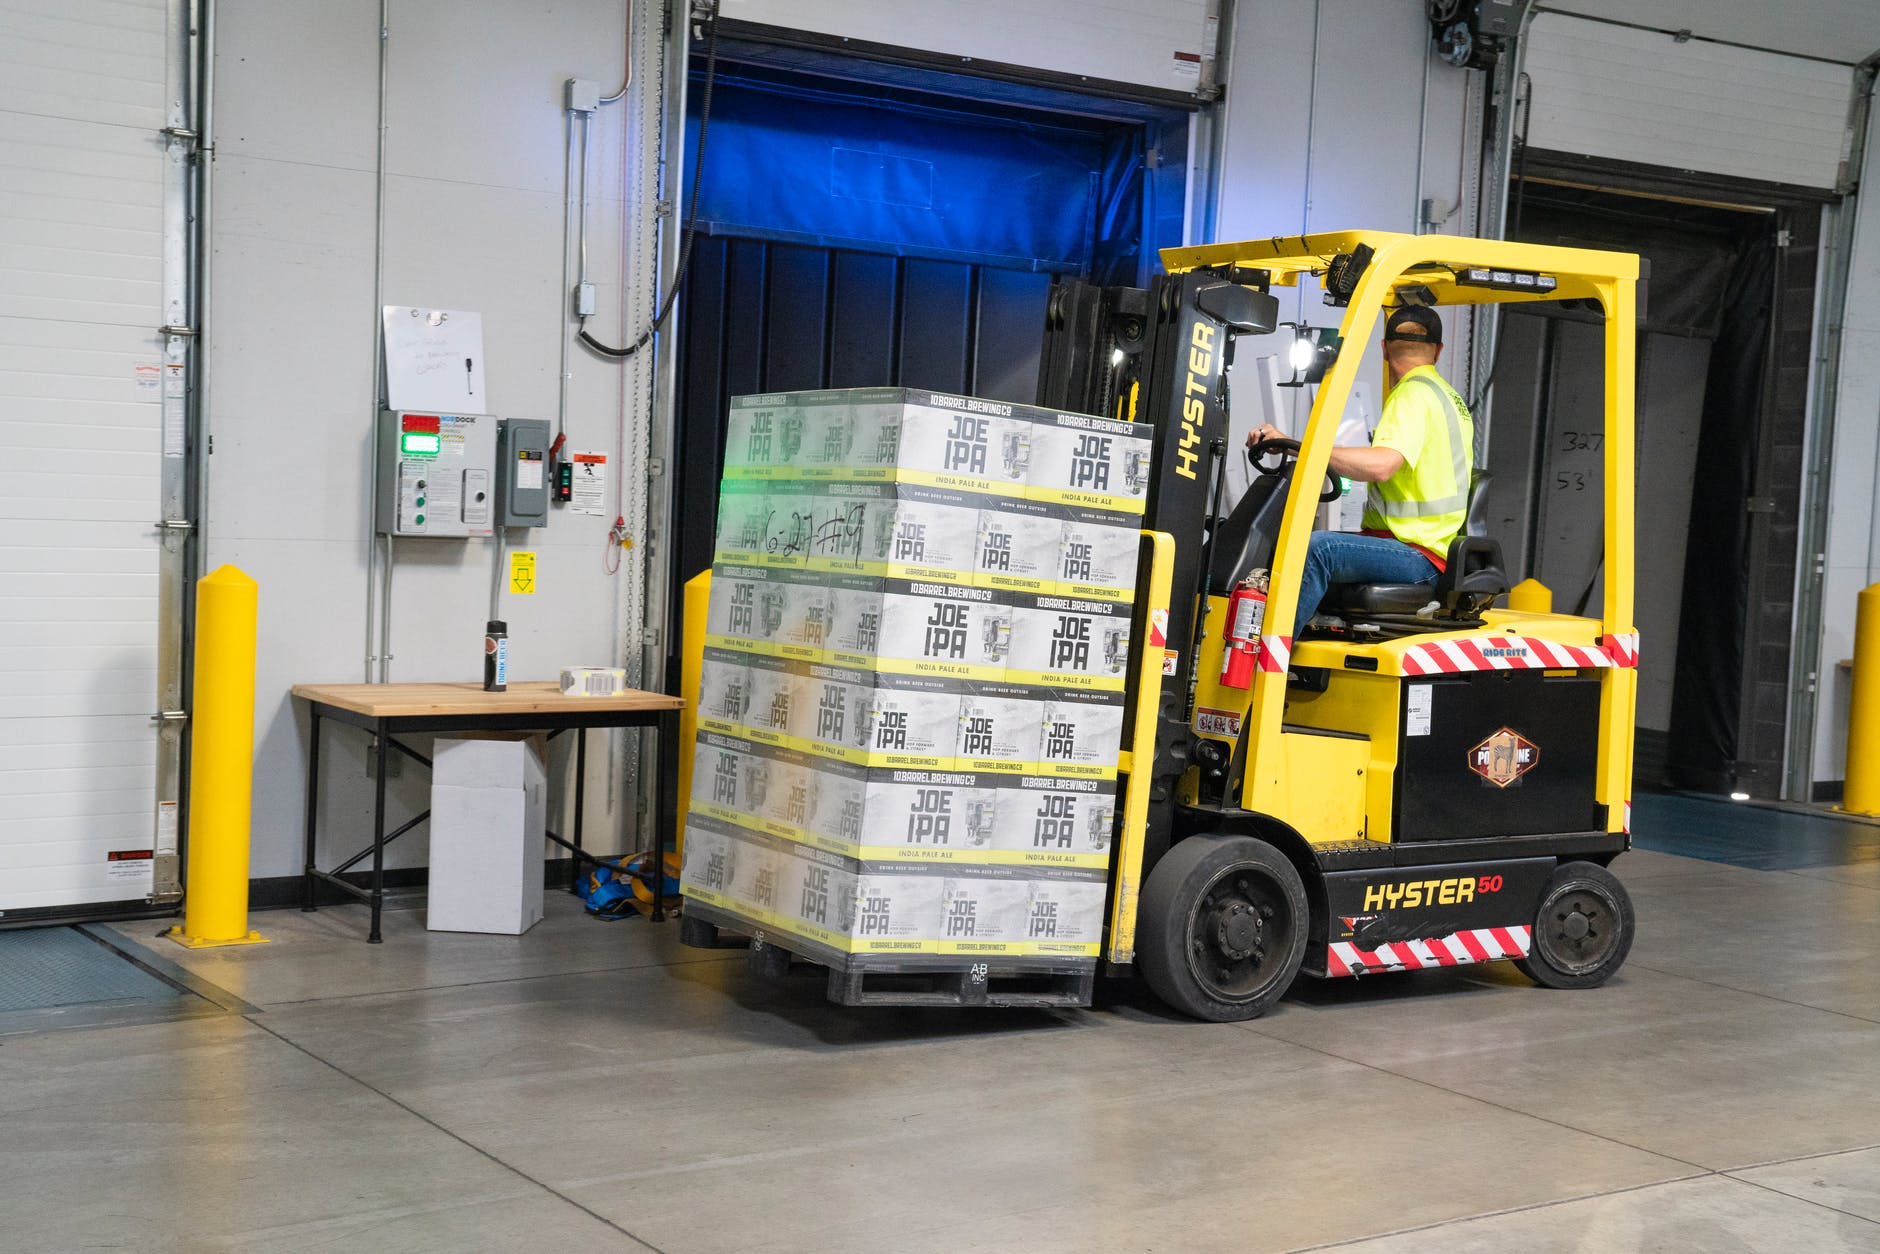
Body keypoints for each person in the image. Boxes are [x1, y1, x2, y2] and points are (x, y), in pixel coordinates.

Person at [1248, 304, 1474, 636]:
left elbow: (1382, 465)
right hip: (1421, 548)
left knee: (1318, 549)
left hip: (1417, 554)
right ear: (1438, 351)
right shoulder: (1448, 397)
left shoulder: (1412, 394)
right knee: (1298, 543)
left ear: (1383, 349)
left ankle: (1268, 663)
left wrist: (1305, 447)